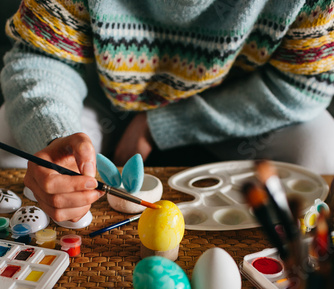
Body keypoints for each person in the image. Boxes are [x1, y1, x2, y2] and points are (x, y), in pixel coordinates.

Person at [1, 0, 334, 222]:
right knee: (11, 135)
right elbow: (41, 54)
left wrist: (159, 124)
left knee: (319, 141)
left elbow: (306, 82)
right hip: (98, 98)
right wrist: (55, 135)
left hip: (234, 103)